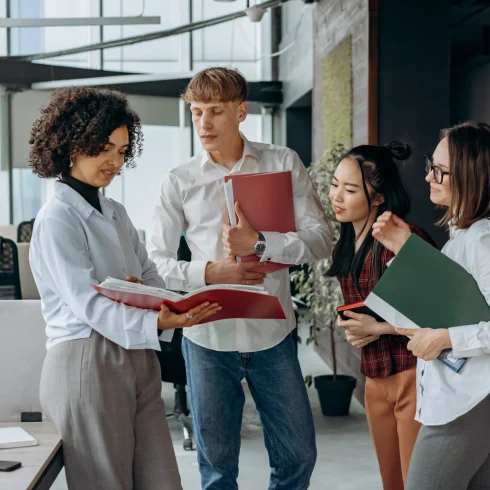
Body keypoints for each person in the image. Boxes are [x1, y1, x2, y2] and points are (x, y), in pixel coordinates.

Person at [147, 67, 332, 490]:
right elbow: (155, 264)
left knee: (298, 455)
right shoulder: (178, 181)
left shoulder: (282, 162)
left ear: (241, 111)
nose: (204, 123)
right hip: (207, 338)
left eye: (215, 111)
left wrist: (261, 243)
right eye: (196, 112)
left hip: (272, 333)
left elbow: (321, 240)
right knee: (216, 470)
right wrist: (213, 272)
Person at [28, 87, 221, 490]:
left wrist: (165, 305)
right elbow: (88, 303)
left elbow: (150, 274)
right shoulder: (57, 218)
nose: (115, 162)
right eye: (105, 149)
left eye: (122, 150)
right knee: (106, 484)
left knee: (162, 481)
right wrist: (154, 315)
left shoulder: (115, 212)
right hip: (86, 360)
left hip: (138, 355)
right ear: (71, 144)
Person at [372, 121, 490, 490]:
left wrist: (442, 338)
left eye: (440, 171)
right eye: (430, 165)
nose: (429, 177)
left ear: (471, 177)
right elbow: (459, 305)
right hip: (461, 397)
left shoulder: (482, 239)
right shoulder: (463, 237)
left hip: (470, 400)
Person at [327, 141, 435, 489]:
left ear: (378, 198)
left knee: (416, 481)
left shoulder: (406, 239)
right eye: (334, 184)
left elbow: (438, 314)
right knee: (391, 482)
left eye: (350, 189)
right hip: (374, 380)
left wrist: (379, 327)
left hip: (413, 377)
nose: (336, 196)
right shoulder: (344, 243)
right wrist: (355, 329)